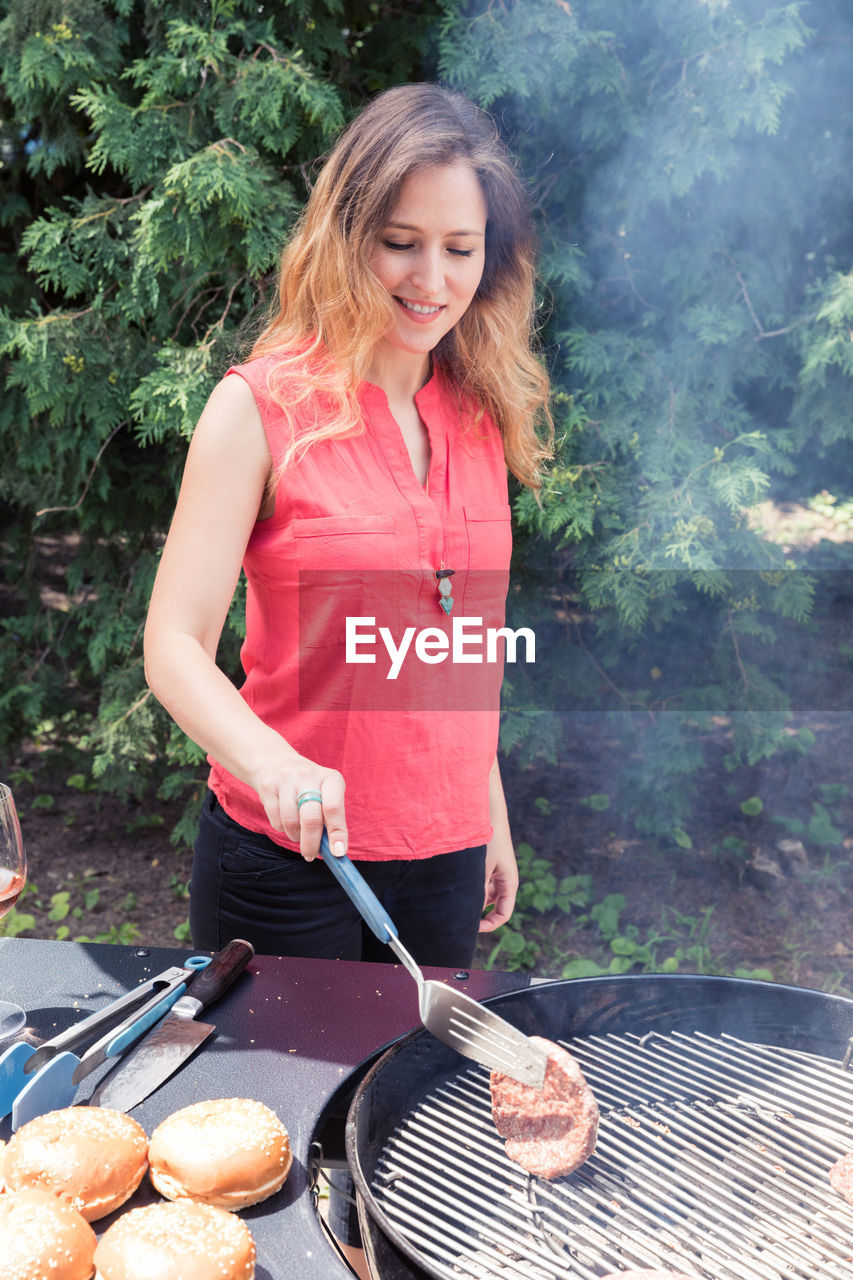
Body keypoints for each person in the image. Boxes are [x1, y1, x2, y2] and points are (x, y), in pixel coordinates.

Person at [143, 79, 551, 1274]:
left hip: (438, 858)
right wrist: (270, 761)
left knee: (419, 1157)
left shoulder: (476, 412)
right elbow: (174, 641)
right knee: (275, 1172)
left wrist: (488, 811)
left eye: (459, 248)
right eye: (400, 242)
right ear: (345, 232)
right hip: (288, 865)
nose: (430, 278)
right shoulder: (257, 408)